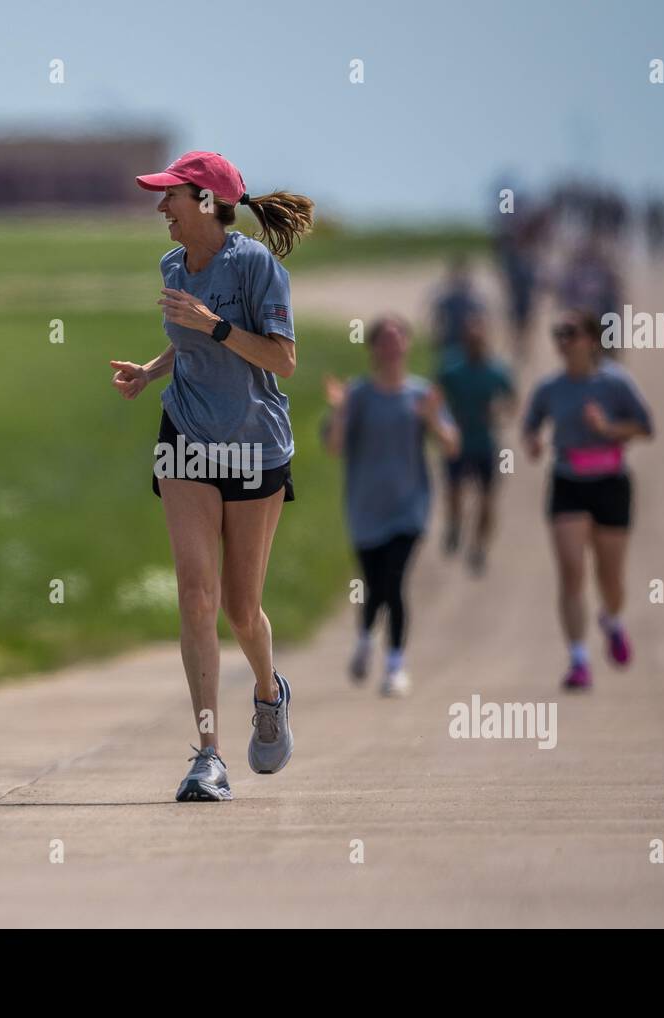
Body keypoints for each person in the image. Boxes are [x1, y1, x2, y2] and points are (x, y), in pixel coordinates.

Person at [109, 151, 314, 802]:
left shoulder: (256, 266)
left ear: (205, 203)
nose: (160, 206)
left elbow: (282, 359)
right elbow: (188, 342)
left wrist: (216, 325)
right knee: (196, 596)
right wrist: (151, 371)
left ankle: (267, 691)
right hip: (186, 442)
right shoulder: (173, 265)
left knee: (240, 608)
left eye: (170, 196)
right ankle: (207, 755)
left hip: (255, 448)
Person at [322, 316, 459, 696]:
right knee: (375, 585)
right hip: (365, 507)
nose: (392, 345)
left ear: (408, 345)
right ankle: (365, 639)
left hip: (409, 507)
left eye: (398, 338)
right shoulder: (358, 395)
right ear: (373, 348)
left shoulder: (420, 395)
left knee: (395, 583)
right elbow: (333, 447)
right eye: (384, 339)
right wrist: (340, 410)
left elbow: (451, 445)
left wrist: (433, 419)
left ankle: (396, 666)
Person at [523, 308, 654, 690]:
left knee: (610, 577)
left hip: (610, 483)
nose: (564, 341)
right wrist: (531, 442)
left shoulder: (616, 383)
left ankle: (611, 620)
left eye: (572, 333)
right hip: (568, 483)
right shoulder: (549, 388)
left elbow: (646, 426)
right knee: (570, 570)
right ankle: (578, 659)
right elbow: (531, 425)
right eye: (559, 333)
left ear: (592, 340)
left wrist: (608, 428)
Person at [439, 309, 516, 575]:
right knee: (454, 492)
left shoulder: (497, 370)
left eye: (478, 339)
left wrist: (501, 413)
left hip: (485, 443)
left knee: (486, 500)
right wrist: (443, 421)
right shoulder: (450, 367)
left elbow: (511, 401)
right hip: (457, 442)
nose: (474, 344)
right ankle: (455, 524)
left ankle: (480, 547)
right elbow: (435, 397)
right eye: (469, 339)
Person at [431, 255, 484, 367]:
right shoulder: (446, 297)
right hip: (449, 339)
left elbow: (480, 320)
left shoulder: (473, 298)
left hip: (468, 343)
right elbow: (438, 318)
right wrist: (437, 337)